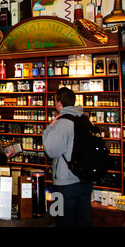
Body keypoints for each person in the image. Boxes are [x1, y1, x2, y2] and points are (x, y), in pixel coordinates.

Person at [42, 87, 93, 227]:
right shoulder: (85, 120)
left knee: (60, 221)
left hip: (64, 184)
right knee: (83, 221)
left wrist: (48, 129)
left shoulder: (62, 123)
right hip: (85, 181)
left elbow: (51, 151)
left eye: (54, 101)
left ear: (59, 103)